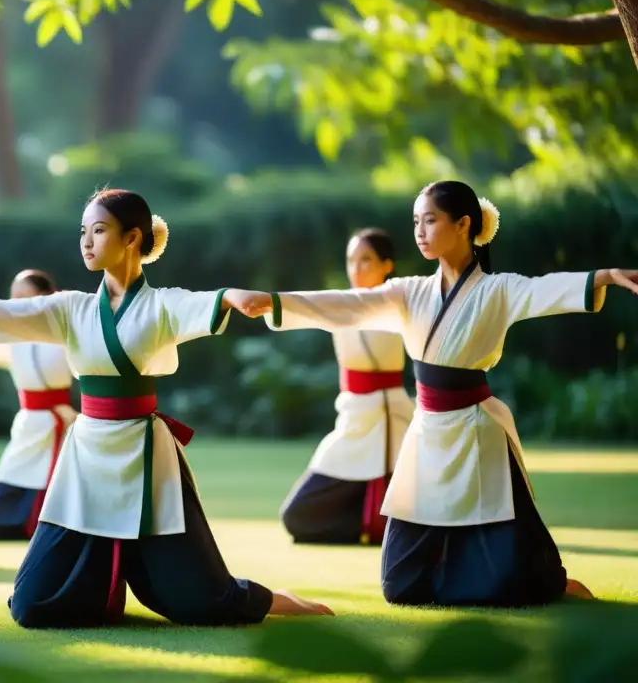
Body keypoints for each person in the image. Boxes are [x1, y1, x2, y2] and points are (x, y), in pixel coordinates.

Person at [0, 188, 334, 627]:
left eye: (97, 231)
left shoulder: (161, 305)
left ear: (132, 238)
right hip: (87, 451)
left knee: (200, 600)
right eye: (82, 232)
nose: (86, 242)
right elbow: (7, 313)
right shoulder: (71, 308)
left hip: (144, 454)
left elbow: (205, 302)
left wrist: (235, 297)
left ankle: (272, 600)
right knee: (32, 606)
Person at [255, 180, 638, 607]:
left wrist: (604, 276)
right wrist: (274, 302)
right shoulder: (409, 291)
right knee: (401, 586)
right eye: (416, 222)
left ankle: (547, 581)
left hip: (477, 433)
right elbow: (347, 304)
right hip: (425, 435)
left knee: (510, 581)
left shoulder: (497, 290)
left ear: (463, 225)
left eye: (430, 220)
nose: (420, 231)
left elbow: (543, 289)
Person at [280, 229, 414, 545]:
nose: (357, 268)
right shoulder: (340, 303)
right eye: (351, 260)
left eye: (366, 260)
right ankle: (374, 525)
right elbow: (302, 306)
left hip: (391, 422)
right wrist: (259, 303)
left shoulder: (402, 306)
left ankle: (389, 527)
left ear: (387, 265)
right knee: (297, 515)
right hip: (354, 421)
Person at [0, 269, 80, 541]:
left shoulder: (68, 334)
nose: (18, 304)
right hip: (28, 429)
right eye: (14, 298)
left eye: (26, 297)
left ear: (48, 298)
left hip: (64, 427)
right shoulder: (8, 336)